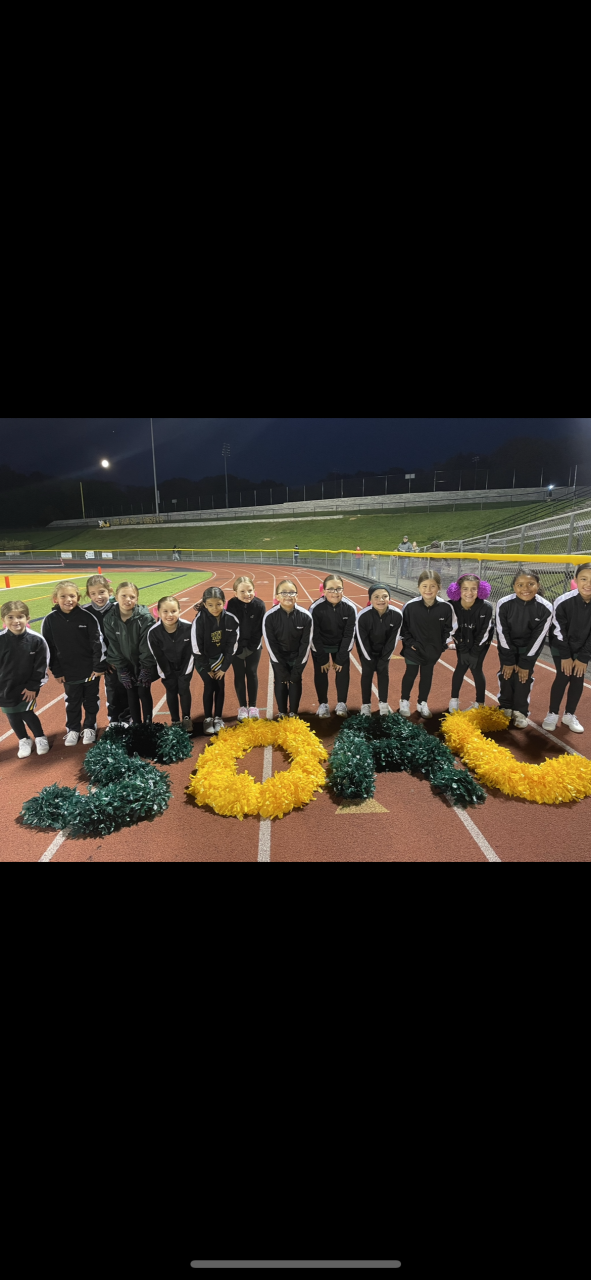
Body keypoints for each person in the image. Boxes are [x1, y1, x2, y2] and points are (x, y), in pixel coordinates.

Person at [42, 580, 107, 746]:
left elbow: (97, 643)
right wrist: (57, 671)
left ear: (78, 597)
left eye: (72, 596)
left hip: (90, 670)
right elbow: (49, 649)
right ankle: (73, 729)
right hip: (68, 671)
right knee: (72, 701)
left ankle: (90, 726)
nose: (68, 599)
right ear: (55, 599)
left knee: (91, 699)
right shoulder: (49, 620)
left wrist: (98, 666)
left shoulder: (88, 617)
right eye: (63, 596)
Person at [496, 571, 553, 727]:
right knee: (506, 675)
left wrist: (525, 663)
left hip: (529, 650)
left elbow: (538, 637)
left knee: (523, 678)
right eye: (520, 585)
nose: (525, 589)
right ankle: (505, 706)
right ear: (514, 587)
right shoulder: (503, 603)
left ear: (538, 585)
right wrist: (508, 660)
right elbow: (502, 632)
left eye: (530, 584)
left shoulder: (546, 608)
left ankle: (520, 711)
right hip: (508, 647)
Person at [399, 571, 456, 718]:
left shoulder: (446, 607)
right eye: (424, 586)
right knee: (410, 674)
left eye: (432, 586)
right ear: (418, 587)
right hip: (413, 649)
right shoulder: (410, 606)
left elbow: (449, 629)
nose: (428, 590)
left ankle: (422, 703)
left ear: (439, 587)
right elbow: (403, 628)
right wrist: (411, 644)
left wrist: (441, 646)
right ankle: (404, 701)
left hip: (432, 651)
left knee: (427, 676)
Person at [542, 562, 591, 733]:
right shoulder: (563, 601)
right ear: (575, 579)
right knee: (563, 675)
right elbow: (557, 630)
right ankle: (552, 713)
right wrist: (565, 656)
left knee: (578, 677)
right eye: (584, 579)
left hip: (583, 647)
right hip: (561, 646)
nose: (588, 584)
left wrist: (583, 657)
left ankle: (569, 715)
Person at [103, 581, 158, 727]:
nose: (128, 600)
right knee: (130, 692)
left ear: (137, 599)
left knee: (144, 691)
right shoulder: (109, 619)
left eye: (132, 597)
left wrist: (145, 668)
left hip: (143, 663)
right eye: (124, 596)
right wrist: (122, 669)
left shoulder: (145, 618)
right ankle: (136, 725)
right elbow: (114, 645)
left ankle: (148, 725)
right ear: (116, 597)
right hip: (125, 665)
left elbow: (147, 645)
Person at [0, 599, 50, 757]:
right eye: (10, 617)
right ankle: (24, 739)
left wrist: (33, 686)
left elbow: (41, 665)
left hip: (26, 687)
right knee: (12, 715)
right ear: (3, 619)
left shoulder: (36, 640)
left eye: (20, 616)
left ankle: (40, 737)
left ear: (27, 618)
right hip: (4, 688)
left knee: (27, 713)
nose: (16, 621)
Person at [191, 587, 239, 734]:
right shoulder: (199, 620)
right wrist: (207, 668)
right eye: (210, 605)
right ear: (205, 604)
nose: (215, 608)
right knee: (209, 684)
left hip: (220, 659)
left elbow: (232, 646)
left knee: (220, 685)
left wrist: (224, 668)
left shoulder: (231, 619)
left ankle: (218, 717)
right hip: (203, 660)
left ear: (224, 602)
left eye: (218, 604)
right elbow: (196, 648)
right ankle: (207, 718)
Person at [83, 575, 130, 725]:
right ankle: (113, 721)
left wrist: (112, 658)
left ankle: (125, 719)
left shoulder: (118, 608)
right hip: (95, 660)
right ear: (88, 594)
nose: (98, 597)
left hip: (116, 659)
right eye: (93, 593)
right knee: (94, 692)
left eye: (102, 592)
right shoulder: (84, 612)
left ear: (109, 591)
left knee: (120, 688)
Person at [262, 579, 312, 719]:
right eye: (284, 592)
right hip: (279, 656)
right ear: (277, 596)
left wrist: (298, 666)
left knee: (296, 680)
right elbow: (271, 644)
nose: (288, 596)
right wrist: (280, 666)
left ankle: (294, 712)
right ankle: (282, 712)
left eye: (291, 592)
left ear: (297, 596)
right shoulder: (269, 617)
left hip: (297, 656)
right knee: (280, 680)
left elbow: (306, 644)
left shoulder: (306, 616)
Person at [310, 575, 357, 718]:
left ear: (343, 590)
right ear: (323, 591)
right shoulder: (315, 608)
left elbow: (349, 635)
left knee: (343, 672)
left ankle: (341, 703)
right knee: (321, 672)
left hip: (341, 645)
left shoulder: (350, 608)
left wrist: (341, 658)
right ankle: (323, 704)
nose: (335, 592)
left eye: (338, 589)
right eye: (330, 589)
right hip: (321, 646)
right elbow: (314, 635)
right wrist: (322, 658)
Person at [147, 596, 194, 734]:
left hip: (185, 666)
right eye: (165, 611)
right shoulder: (153, 632)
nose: (169, 615)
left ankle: (186, 718)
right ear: (158, 612)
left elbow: (192, 652)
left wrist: (186, 671)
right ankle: (175, 720)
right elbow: (158, 656)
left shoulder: (189, 628)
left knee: (184, 689)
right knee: (171, 690)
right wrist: (166, 673)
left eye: (173, 611)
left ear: (179, 610)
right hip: (166, 668)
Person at [446, 575, 494, 712]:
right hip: (461, 639)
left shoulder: (486, 607)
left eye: (474, 588)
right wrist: (462, 649)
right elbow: (453, 629)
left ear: (480, 590)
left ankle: (480, 703)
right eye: (465, 588)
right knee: (461, 666)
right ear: (458, 590)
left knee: (476, 667)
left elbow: (485, 632)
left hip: (481, 642)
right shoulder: (451, 605)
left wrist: (475, 652)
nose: (469, 592)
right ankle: (454, 699)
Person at [355, 584, 402, 716]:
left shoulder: (397, 615)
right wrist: (369, 658)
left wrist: (384, 658)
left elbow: (393, 639)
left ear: (389, 598)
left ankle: (383, 704)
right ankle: (366, 705)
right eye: (376, 597)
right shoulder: (363, 615)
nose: (381, 600)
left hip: (384, 650)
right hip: (366, 650)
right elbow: (361, 640)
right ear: (370, 599)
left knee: (383, 673)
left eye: (384, 596)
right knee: (367, 674)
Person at [229, 575, 265, 721]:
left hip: (254, 646)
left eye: (250, 590)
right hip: (235, 647)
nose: (247, 594)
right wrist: (237, 648)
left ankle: (253, 707)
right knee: (239, 674)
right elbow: (230, 628)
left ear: (254, 590)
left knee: (252, 673)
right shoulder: (231, 605)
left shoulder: (259, 605)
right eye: (242, 591)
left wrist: (250, 648)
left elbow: (259, 629)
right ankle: (243, 707)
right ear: (235, 593)